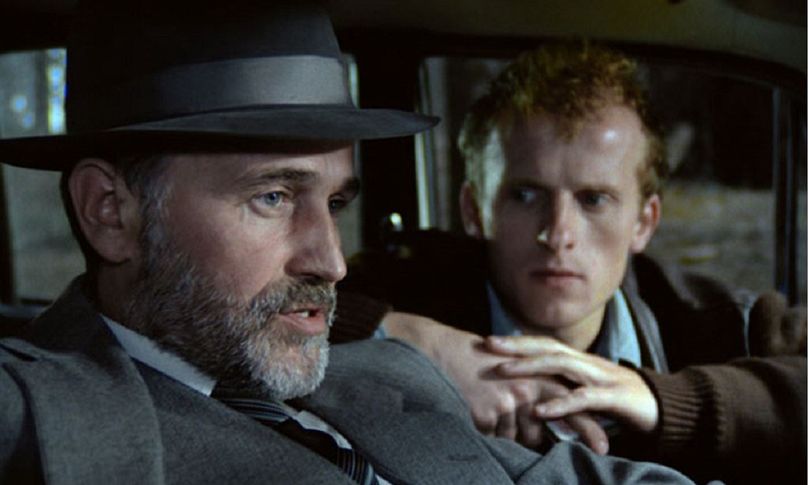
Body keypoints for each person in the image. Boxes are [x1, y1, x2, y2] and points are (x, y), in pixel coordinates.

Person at [0, 2, 701, 484]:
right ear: (110, 213)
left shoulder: (391, 377)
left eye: (335, 204)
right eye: (274, 197)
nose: (331, 261)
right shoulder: (36, 413)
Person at [334, 42, 807, 484]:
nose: (557, 234)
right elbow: (293, 313)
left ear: (644, 222)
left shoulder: (717, 322)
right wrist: (421, 345)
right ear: (474, 210)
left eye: (594, 199)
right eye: (525, 195)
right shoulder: (406, 287)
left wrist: (666, 402)